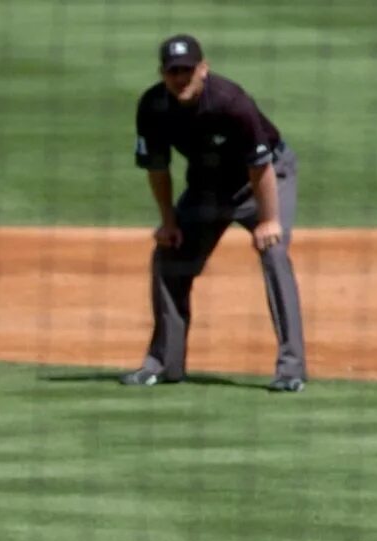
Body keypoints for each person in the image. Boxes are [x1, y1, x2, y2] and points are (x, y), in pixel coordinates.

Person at [123, 35, 306, 392]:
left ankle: (291, 369)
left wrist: (269, 220)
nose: (181, 78)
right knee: (169, 254)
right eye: (173, 71)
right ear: (162, 73)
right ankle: (163, 364)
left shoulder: (229, 101)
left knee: (274, 252)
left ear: (202, 69)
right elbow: (157, 168)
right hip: (208, 187)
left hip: (265, 179)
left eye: (187, 71)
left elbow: (261, 165)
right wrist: (169, 221)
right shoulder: (153, 106)